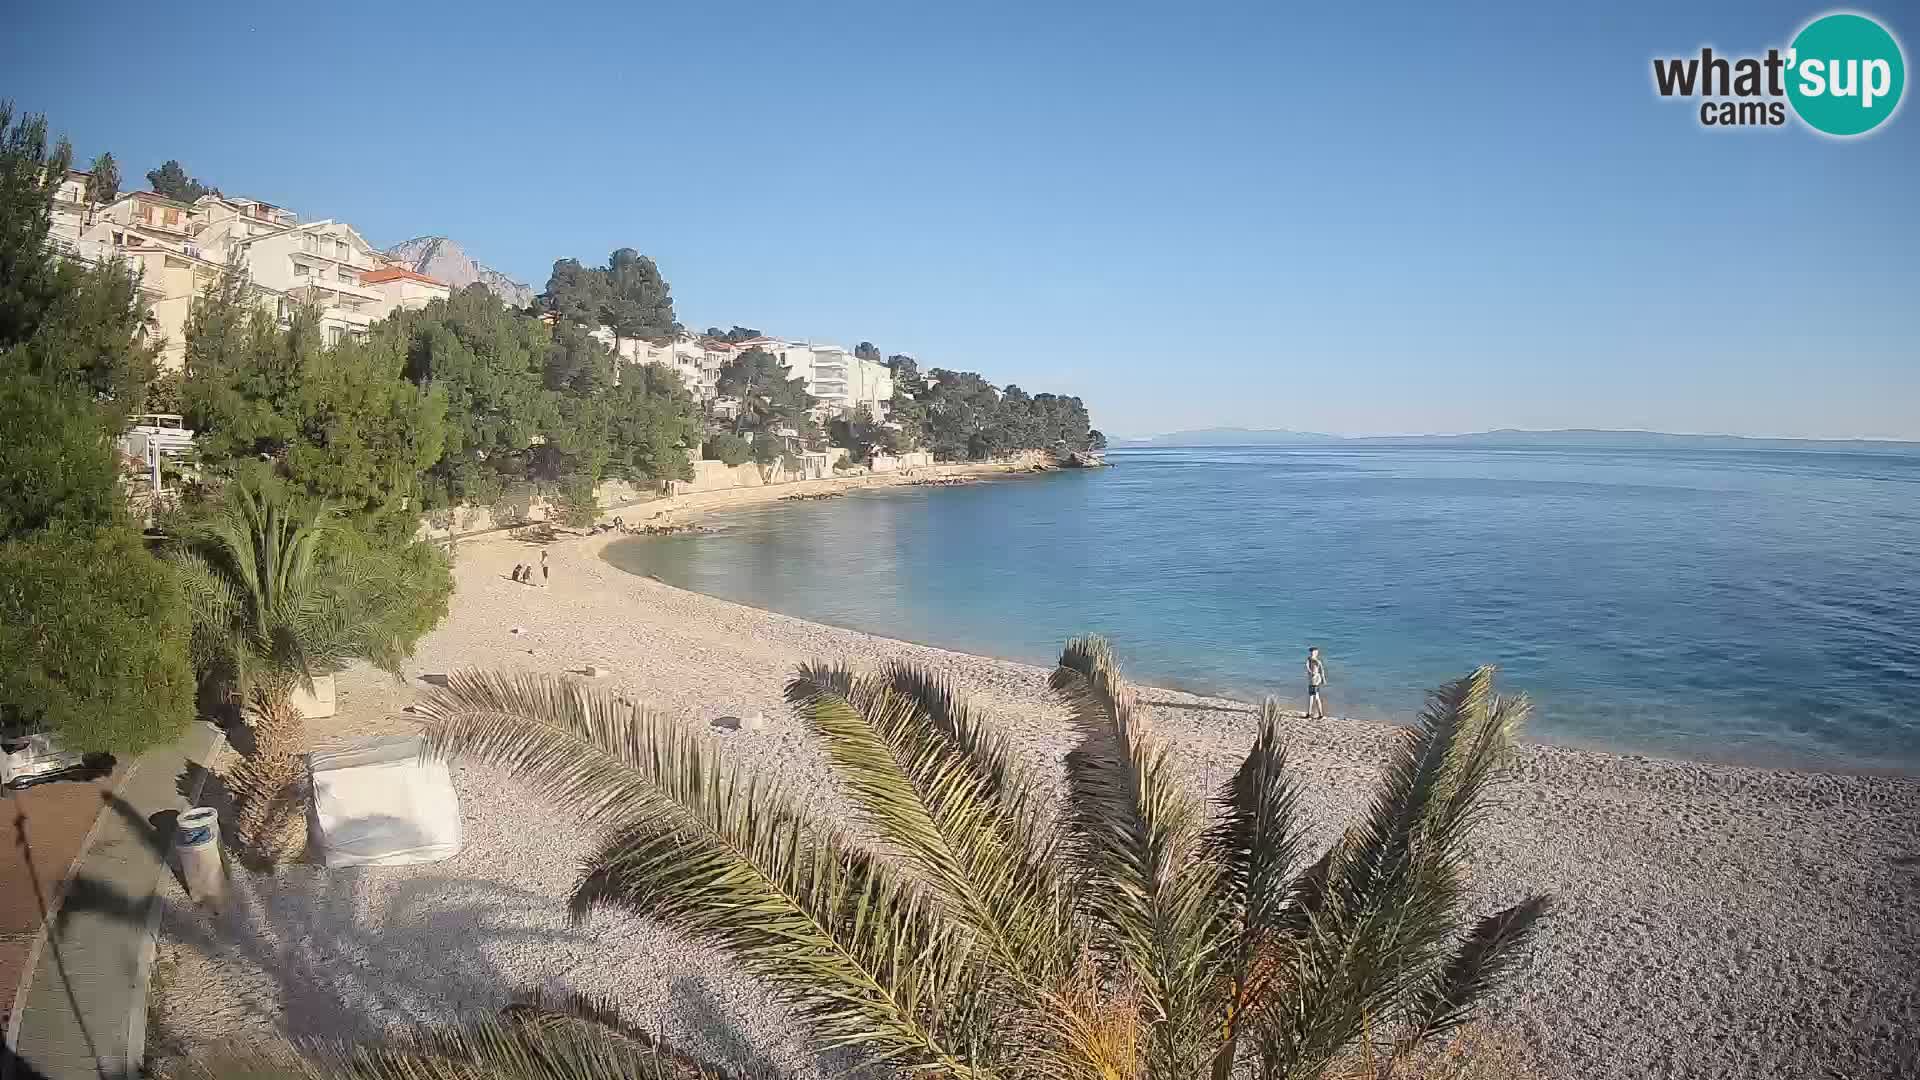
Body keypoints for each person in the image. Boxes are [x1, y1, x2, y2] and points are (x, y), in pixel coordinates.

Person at [1306, 646, 1326, 719]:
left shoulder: (1317, 661)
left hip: (1315, 680)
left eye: (1313, 652)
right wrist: (1310, 671)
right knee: (1311, 696)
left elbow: (1322, 670)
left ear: (1316, 653)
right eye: (1311, 652)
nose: (1311, 653)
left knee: (1316, 697)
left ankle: (1321, 714)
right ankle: (1309, 713)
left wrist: (1323, 679)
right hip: (1311, 680)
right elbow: (1307, 666)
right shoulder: (1309, 659)